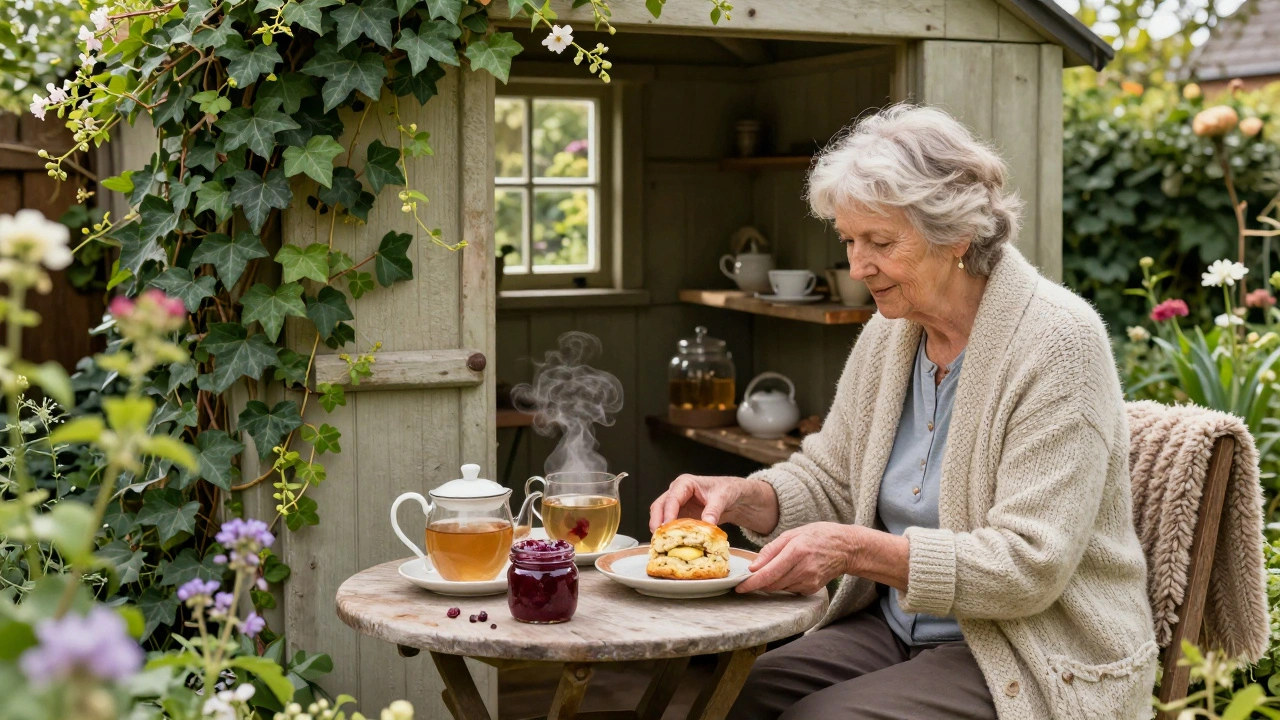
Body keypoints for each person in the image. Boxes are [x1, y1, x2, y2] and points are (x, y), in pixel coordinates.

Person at [649, 105, 1156, 719]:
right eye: (849, 241)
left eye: (880, 243)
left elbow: (1029, 566)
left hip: (1024, 649)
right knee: (729, 695)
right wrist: (747, 498)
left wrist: (854, 551)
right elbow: (831, 477)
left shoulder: (1059, 343)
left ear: (956, 237)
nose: (857, 266)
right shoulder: (891, 334)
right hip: (897, 626)